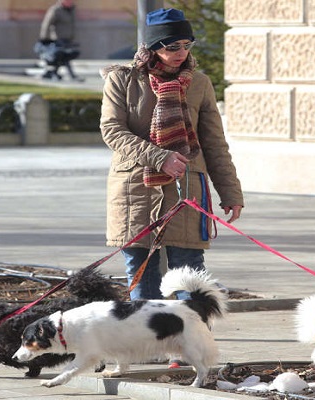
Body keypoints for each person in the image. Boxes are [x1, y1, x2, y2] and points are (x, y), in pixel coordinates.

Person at [100, 8, 244, 302]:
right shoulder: (122, 80)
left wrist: (230, 191)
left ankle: (194, 331)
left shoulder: (199, 83)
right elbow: (112, 130)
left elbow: (214, 143)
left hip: (186, 188)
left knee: (189, 274)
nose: (182, 53)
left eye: (187, 45)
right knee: (142, 274)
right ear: (153, 45)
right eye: (173, 46)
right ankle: (146, 333)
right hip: (135, 190)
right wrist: (159, 157)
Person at [36, 0, 81, 80]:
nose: (70, 2)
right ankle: (71, 75)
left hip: (68, 39)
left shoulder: (72, 10)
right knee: (61, 56)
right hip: (58, 39)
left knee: (64, 57)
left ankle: (51, 73)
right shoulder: (56, 10)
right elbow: (46, 24)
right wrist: (44, 38)